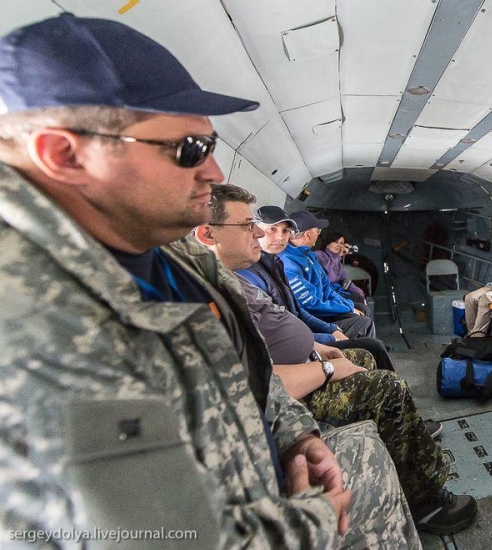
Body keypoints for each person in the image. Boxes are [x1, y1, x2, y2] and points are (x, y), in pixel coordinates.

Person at [0, 14, 420, 548]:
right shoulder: (32, 326)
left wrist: (295, 434)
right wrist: (314, 519)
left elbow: (241, 366)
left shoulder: (171, 253)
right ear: (65, 154)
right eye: (190, 149)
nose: (216, 172)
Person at [195, 183, 477, 535]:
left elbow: (293, 317)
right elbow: (256, 380)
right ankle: (428, 501)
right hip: (293, 392)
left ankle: (400, 448)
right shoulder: (215, 295)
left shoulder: (243, 279)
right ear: (208, 234)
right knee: (385, 386)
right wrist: (327, 365)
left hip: (310, 357)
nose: (261, 233)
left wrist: (319, 344)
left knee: (365, 353)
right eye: (247, 226)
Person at [244, 205, 391, 368]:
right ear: (255, 231)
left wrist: (332, 329)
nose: (280, 237)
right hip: (299, 345)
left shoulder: (279, 263)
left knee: (365, 323)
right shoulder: (272, 268)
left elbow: (302, 308)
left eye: (285, 231)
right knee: (370, 340)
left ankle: (369, 374)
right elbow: (301, 311)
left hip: (307, 331)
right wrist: (330, 336)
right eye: (272, 229)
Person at [281, 210, 372, 320]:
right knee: (361, 321)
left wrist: (349, 303)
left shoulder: (309, 255)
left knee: (361, 306)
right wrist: (347, 308)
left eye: (342, 243)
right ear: (307, 234)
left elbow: (327, 285)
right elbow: (309, 303)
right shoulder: (309, 257)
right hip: (315, 313)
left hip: (325, 301)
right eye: (317, 231)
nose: (318, 234)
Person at [314, 230, 368, 308]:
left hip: (336, 293)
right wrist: (338, 255)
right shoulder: (319, 255)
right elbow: (325, 272)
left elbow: (346, 280)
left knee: (359, 298)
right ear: (328, 244)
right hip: (324, 293)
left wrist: (358, 291)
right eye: (336, 242)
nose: (339, 245)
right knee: (358, 302)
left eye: (341, 243)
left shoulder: (339, 264)